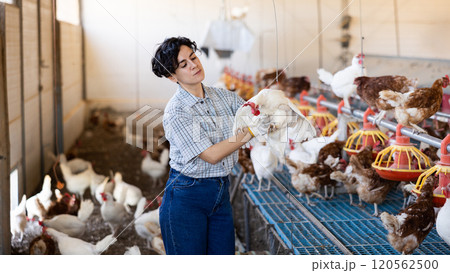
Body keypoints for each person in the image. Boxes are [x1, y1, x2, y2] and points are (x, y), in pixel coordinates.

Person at [151, 36, 256, 255]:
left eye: (193, 57)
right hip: (187, 197)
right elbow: (210, 155)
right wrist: (252, 132)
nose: (193, 65)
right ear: (172, 76)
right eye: (183, 64)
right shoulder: (177, 111)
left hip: (220, 193)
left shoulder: (224, 98)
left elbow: (253, 112)